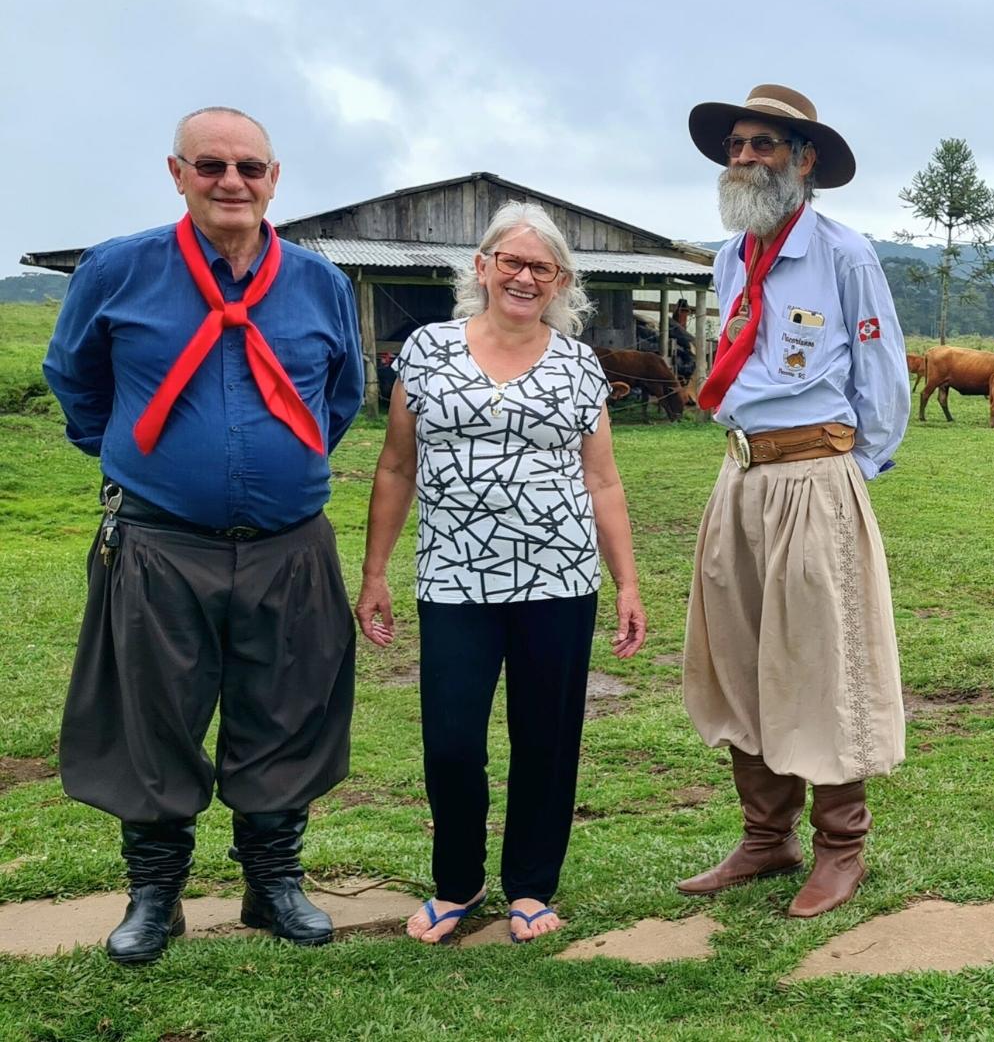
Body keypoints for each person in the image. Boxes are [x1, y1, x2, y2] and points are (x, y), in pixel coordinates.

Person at [41, 106, 364, 964]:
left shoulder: (317, 282)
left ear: (274, 178)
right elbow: (74, 381)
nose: (232, 182)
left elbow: (340, 397)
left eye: (250, 168)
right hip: (158, 542)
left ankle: (273, 884)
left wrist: (274, 467)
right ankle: (155, 896)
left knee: (288, 708)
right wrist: (140, 457)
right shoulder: (118, 269)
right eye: (212, 166)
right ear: (177, 172)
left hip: (288, 542)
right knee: (154, 712)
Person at [356, 201, 646, 945]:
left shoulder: (580, 365)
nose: (523, 276)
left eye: (539, 268)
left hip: (559, 579)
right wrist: (376, 572)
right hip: (454, 578)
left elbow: (604, 481)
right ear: (481, 267)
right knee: (452, 738)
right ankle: (457, 881)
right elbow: (396, 464)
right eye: (509, 262)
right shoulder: (426, 350)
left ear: (559, 282)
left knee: (545, 740)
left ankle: (530, 886)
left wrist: (628, 583)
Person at [676, 84, 911, 917]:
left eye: (763, 144)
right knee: (737, 653)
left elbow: (884, 381)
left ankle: (841, 845)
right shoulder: (728, 257)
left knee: (822, 654)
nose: (744, 157)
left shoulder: (844, 254)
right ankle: (763, 836)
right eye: (736, 144)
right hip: (737, 473)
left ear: (804, 160)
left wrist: (850, 472)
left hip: (814, 472)